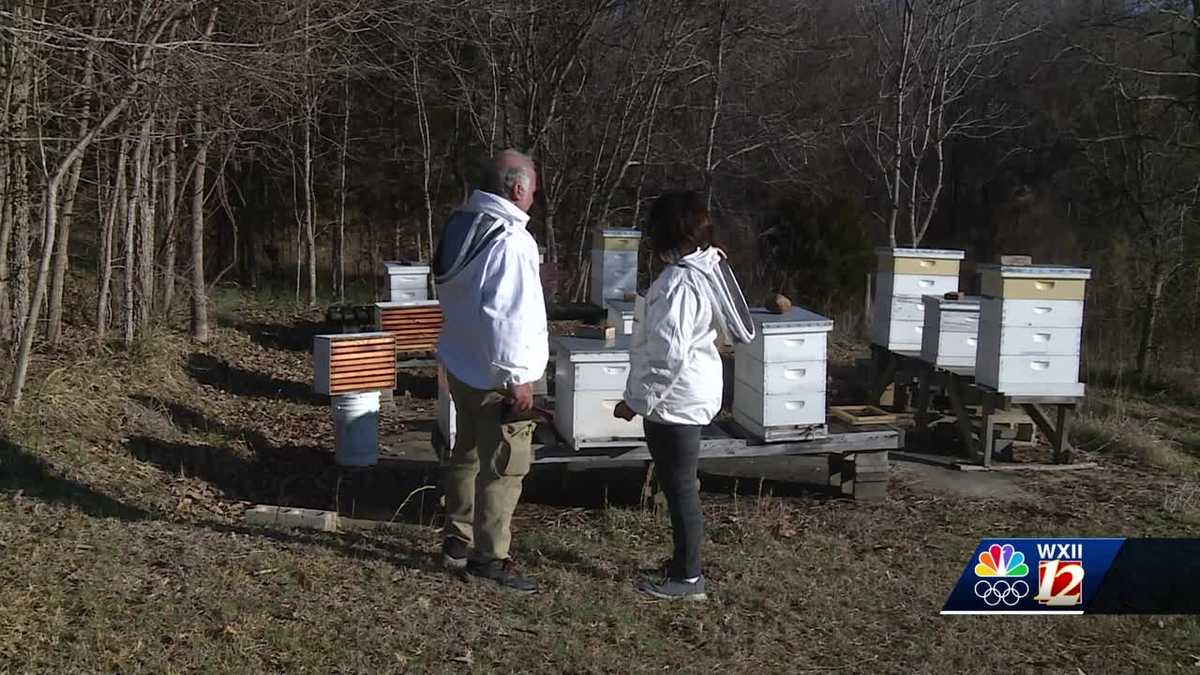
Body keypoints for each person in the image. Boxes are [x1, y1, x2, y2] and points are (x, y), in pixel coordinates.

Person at [615, 190, 755, 602]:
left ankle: (689, 579)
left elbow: (665, 355)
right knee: (679, 486)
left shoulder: (679, 282)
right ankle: (682, 565)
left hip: (673, 402)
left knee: (680, 489)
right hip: (687, 395)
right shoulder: (703, 269)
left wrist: (636, 402)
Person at [433, 149, 548, 593]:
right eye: (533, 188)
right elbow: (507, 316)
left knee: (466, 453)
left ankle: (456, 542)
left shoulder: (462, 223)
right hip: (497, 376)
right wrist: (519, 378)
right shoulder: (511, 240)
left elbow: (472, 293)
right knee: (504, 467)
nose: (535, 194)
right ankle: (489, 560)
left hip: (462, 364)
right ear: (517, 189)